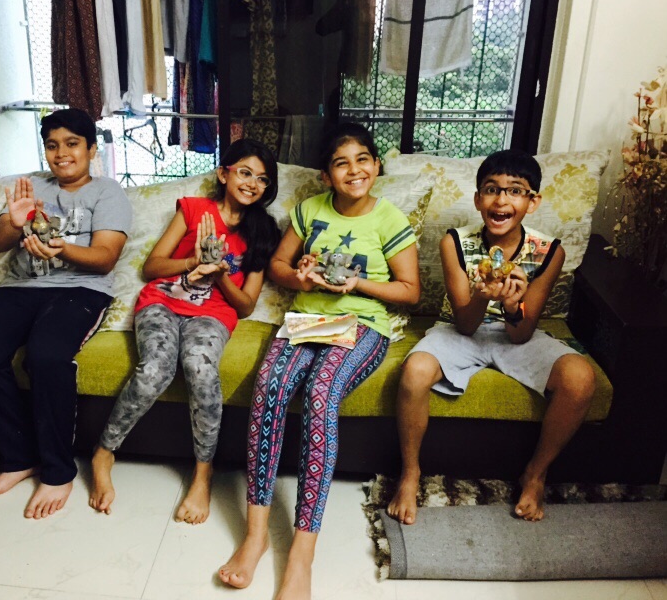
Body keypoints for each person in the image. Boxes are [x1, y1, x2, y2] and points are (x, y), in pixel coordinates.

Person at [219, 123, 420, 599]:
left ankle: (302, 555)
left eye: (363, 159)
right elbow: (278, 267)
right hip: (309, 321)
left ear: (376, 166)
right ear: (326, 176)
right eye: (341, 163)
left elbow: (410, 291)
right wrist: (302, 279)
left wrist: (358, 284)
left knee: (320, 392)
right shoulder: (310, 210)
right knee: (269, 389)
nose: (354, 170)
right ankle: (255, 536)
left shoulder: (389, 218)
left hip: (363, 324)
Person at [386, 149, 596, 525]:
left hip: (514, 335)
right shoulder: (455, 242)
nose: (501, 200)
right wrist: (483, 295)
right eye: (491, 189)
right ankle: (410, 474)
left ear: (533, 202)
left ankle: (535, 474)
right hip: (460, 329)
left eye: (515, 190)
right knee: (414, 372)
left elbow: (522, 335)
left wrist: (514, 307)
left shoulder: (550, 252)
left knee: (580, 378)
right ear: (477, 199)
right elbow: (465, 325)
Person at [0, 108, 132, 520]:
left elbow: (105, 257)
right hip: (20, 288)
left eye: (72, 144)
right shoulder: (33, 187)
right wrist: (14, 223)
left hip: (81, 290)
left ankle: (58, 470)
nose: (61, 153)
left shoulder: (107, 192)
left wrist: (61, 248)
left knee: (46, 356)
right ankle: (18, 458)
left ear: (91, 149)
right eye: (52, 145)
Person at [90, 139, 281, 524]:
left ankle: (203, 474)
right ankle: (103, 452)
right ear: (223, 174)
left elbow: (245, 305)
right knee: (155, 368)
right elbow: (152, 267)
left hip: (214, 313)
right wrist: (193, 260)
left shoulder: (263, 233)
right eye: (245, 173)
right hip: (162, 301)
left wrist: (220, 273)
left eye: (262, 179)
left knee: (200, 367)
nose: (252, 184)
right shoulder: (193, 209)